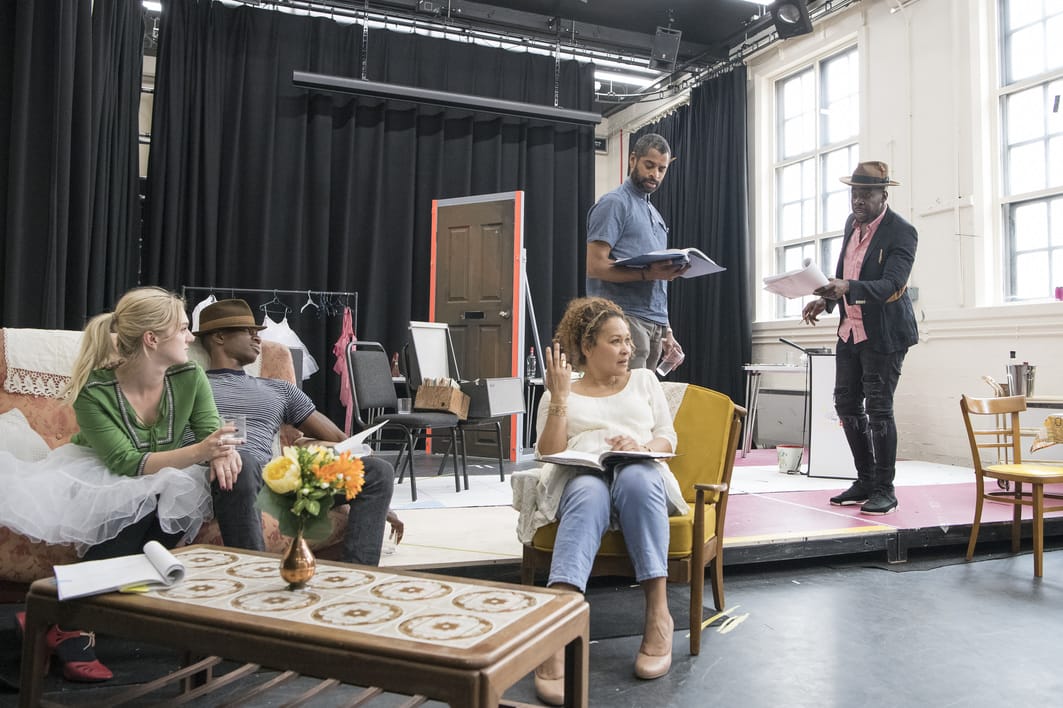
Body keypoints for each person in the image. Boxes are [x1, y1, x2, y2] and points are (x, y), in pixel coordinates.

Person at [2, 286, 237, 682]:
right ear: (152, 339)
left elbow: (210, 429)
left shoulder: (189, 374)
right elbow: (125, 462)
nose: (191, 337)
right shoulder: (94, 391)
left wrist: (223, 451)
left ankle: (60, 616)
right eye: (183, 328)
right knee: (149, 498)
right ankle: (68, 623)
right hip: (97, 473)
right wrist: (202, 451)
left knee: (171, 494)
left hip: (165, 472)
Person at [525, 297, 687, 704]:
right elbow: (547, 451)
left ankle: (658, 614)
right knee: (587, 490)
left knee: (636, 479)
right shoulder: (562, 388)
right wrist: (559, 397)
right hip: (581, 473)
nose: (628, 350)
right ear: (587, 346)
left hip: (640, 470)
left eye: (628, 341)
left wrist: (643, 445)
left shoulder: (645, 382)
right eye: (616, 342)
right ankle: (558, 625)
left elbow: (668, 436)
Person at [195, 299, 401, 564]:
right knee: (243, 461)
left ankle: (357, 573)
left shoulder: (279, 389)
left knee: (377, 471)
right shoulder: (193, 385)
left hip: (274, 480)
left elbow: (341, 440)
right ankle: (253, 573)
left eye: (258, 332)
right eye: (248, 331)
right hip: (222, 476)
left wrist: (383, 500)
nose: (258, 338)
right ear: (219, 336)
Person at [801, 161, 919, 515]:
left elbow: (891, 285)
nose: (858, 200)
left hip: (884, 333)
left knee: (880, 410)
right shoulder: (852, 225)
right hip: (850, 330)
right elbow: (844, 274)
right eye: (854, 193)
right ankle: (865, 478)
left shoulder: (902, 232)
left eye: (866, 193)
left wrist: (847, 287)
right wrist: (826, 299)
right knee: (846, 405)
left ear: (884, 195)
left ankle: (885, 488)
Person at [586, 133, 687, 370]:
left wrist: (667, 329)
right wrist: (647, 274)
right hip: (622, 318)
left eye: (662, 169)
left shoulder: (655, 213)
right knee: (624, 400)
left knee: (643, 403)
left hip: (654, 323)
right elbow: (595, 266)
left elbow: (659, 280)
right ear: (633, 160)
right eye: (649, 165)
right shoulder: (614, 203)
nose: (655, 175)